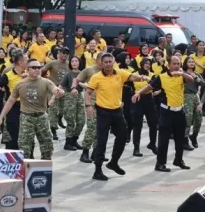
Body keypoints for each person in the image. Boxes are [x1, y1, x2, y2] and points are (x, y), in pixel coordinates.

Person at [85, 53, 148, 181]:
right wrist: (88, 106)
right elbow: (88, 92)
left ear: (114, 61)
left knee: (123, 136)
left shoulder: (120, 73)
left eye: (110, 61)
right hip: (103, 112)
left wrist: (141, 77)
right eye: (106, 62)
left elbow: (132, 77)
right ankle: (98, 170)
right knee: (101, 140)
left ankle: (113, 162)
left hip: (117, 111)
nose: (108, 64)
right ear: (101, 63)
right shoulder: (96, 77)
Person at [132, 56, 195, 173]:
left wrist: (181, 74)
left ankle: (179, 160)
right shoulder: (161, 77)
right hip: (167, 112)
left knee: (180, 138)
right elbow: (149, 86)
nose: (177, 66)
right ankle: (160, 163)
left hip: (179, 111)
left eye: (178, 64)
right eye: (174, 64)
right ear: (168, 65)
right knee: (163, 140)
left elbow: (191, 79)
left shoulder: (182, 76)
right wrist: (138, 93)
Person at [0, 60, 64, 160]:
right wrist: (0, 118)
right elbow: (10, 102)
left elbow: (54, 89)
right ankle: (26, 169)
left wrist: (59, 92)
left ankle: (44, 169)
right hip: (26, 118)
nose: (37, 69)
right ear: (27, 69)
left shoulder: (46, 82)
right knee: (24, 147)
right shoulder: (20, 84)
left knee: (47, 145)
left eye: (39, 67)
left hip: (42, 116)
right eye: (34, 67)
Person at [0, 53, 27, 151]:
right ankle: (12, 154)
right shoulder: (8, 75)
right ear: (20, 63)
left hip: (27, 107)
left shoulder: (30, 74)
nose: (29, 62)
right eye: (27, 60)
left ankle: (28, 157)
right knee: (13, 133)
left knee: (27, 134)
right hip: (13, 107)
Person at [41, 47, 70, 140]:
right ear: (59, 53)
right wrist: (43, 80)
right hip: (53, 89)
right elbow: (42, 70)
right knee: (53, 110)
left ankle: (60, 118)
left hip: (65, 90)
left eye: (67, 53)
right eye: (63, 52)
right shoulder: (53, 63)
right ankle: (53, 130)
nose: (65, 54)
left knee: (63, 109)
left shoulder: (69, 64)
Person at [60, 56, 85, 151]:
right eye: (72, 61)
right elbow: (61, 86)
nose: (74, 63)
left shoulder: (82, 74)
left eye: (76, 61)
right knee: (70, 121)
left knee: (81, 121)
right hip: (69, 97)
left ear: (79, 63)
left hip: (79, 97)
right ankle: (68, 142)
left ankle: (74, 140)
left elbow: (87, 85)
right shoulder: (68, 74)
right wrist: (54, 97)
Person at [182, 57, 204, 150]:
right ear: (186, 63)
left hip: (196, 96)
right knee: (188, 118)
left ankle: (194, 136)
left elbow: (204, 85)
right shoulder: (182, 74)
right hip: (186, 96)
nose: (191, 63)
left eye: (193, 62)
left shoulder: (197, 74)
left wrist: (196, 78)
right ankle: (185, 140)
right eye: (189, 62)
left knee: (199, 117)